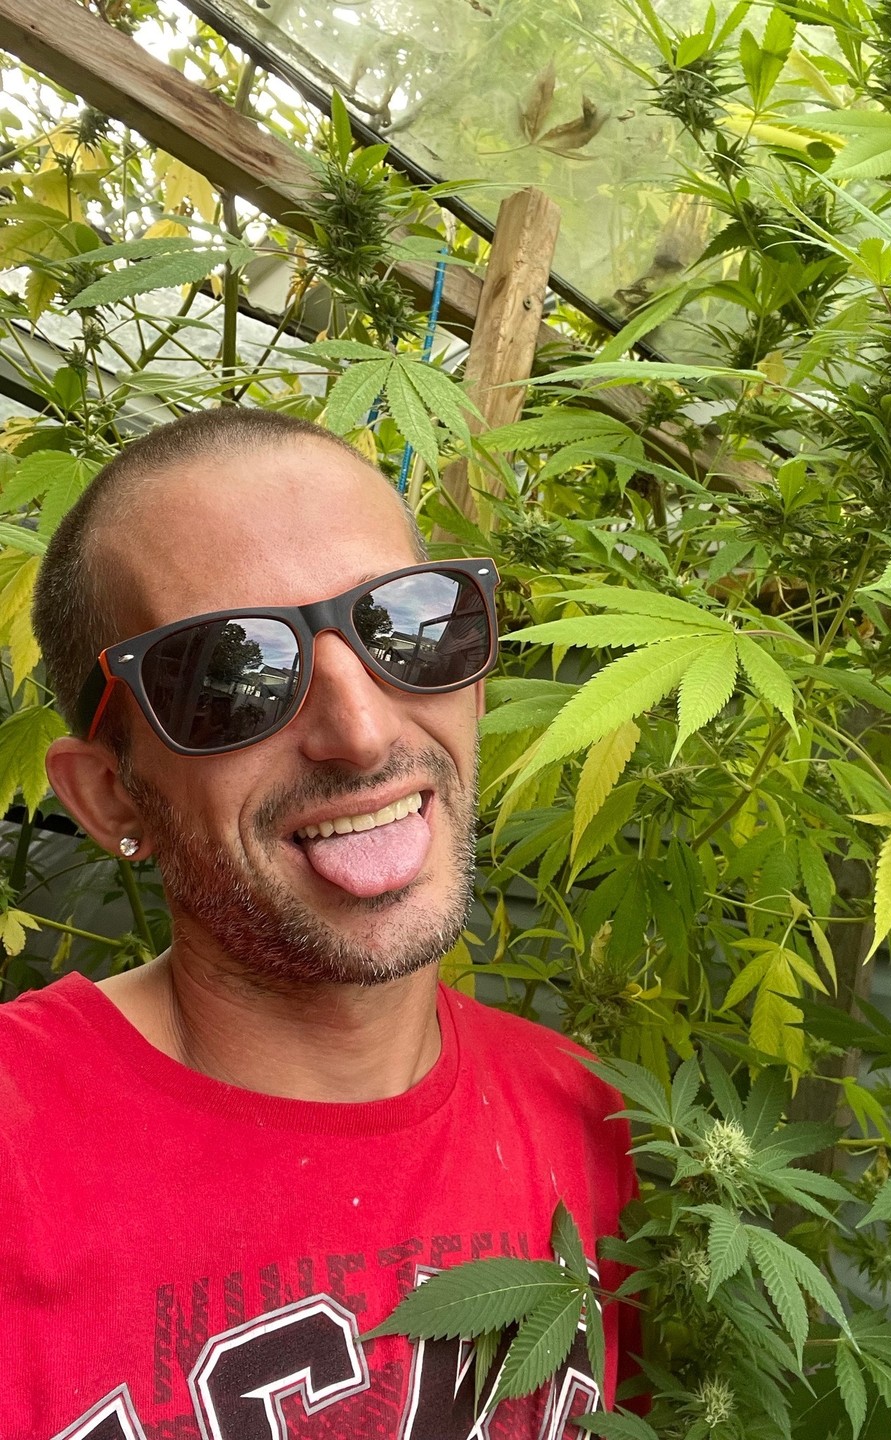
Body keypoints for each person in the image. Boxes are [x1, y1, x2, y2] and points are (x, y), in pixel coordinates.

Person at [0, 408, 636, 1440]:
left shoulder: (595, 1125)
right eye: (230, 675)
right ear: (110, 796)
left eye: (408, 626)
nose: (363, 731)